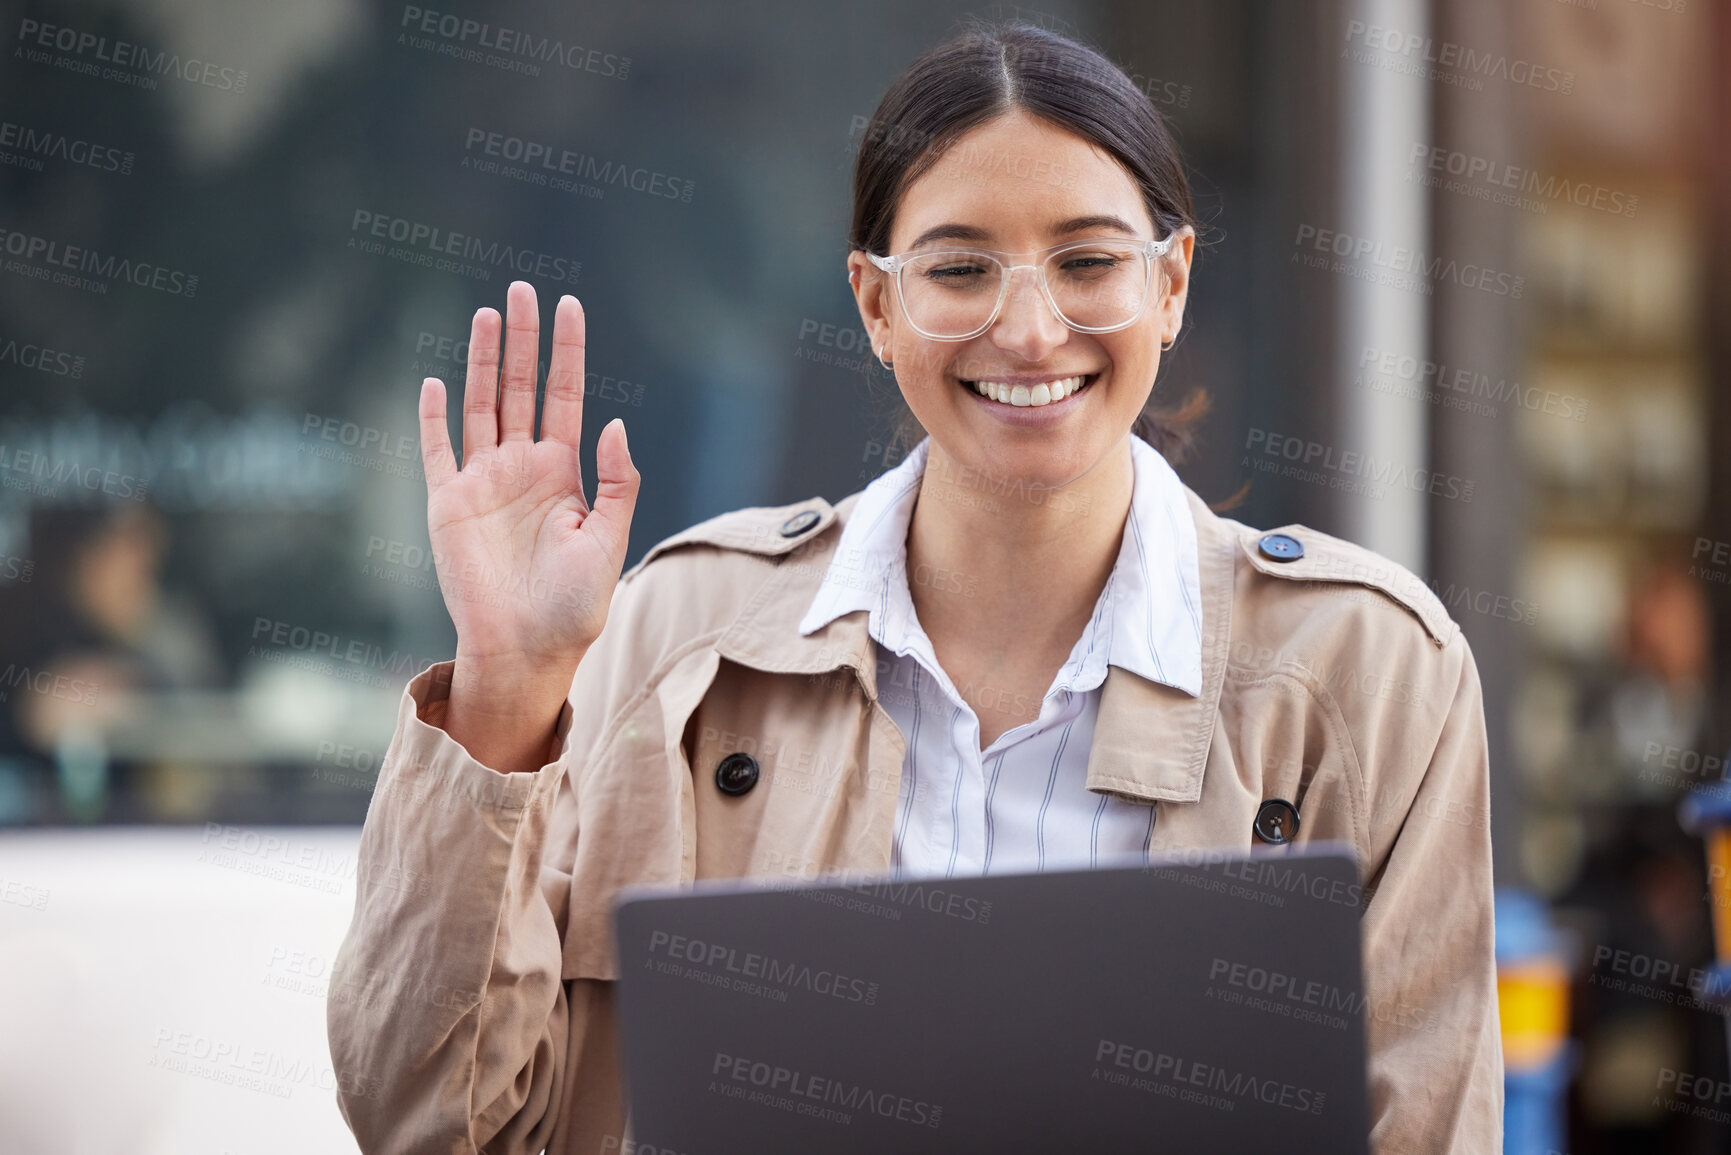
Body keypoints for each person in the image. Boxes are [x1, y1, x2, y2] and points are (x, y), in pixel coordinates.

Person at [328, 21, 1502, 1154]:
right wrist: (505, 692)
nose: (1030, 330)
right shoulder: (673, 644)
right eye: (958, 268)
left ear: (1173, 283)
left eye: (1088, 261)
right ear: (877, 305)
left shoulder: (1376, 674)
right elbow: (433, 1125)